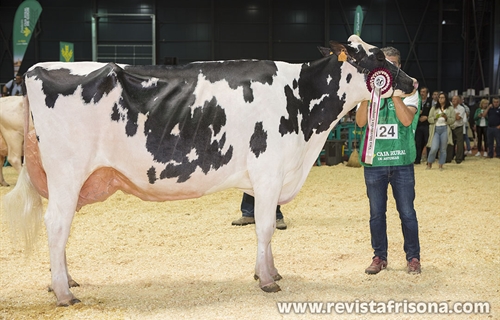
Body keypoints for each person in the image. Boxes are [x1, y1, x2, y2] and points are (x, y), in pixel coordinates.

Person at [356, 46, 421, 275]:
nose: (389, 70)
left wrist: (394, 93)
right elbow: (361, 122)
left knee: (407, 213)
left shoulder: (410, 90)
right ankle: (379, 257)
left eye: (393, 66)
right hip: (375, 163)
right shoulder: (367, 90)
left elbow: (406, 120)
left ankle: (413, 258)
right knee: (376, 214)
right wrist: (367, 96)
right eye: (385, 66)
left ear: (399, 66)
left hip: (401, 161)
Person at [426, 93, 456, 170]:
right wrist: (435, 118)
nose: (440, 99)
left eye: (442, 97)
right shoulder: (434, 108)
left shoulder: (450, 109)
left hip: (445, 129)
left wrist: (446, 118)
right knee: (434, 148)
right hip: (435, 129)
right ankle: (429, 163)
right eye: (439, 98)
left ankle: (441, 165)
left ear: (446, 99)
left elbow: (452, 120)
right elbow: (429, 119)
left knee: (443, 149)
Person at [414, 87, 432, 164]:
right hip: (418, 125)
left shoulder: (430, 102)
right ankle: (417, 159)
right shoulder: (416, 101)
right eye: (421, 91)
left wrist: (427, 117)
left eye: (424, 92)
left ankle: (429, 159)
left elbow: (433, 112)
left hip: (427, 124)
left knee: (427, 142)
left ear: (427, 93)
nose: (422, 93)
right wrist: (417, 114)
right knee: (418, 142)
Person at [446, 95, 466, 163]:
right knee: (449, 143)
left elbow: (458, 118)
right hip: (450, 127)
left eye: (455, 99)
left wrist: (452, 116)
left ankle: (459, 158)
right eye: (452, 99)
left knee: (459, 143)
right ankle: (448, 158)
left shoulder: (461, 108)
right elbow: (446, 117)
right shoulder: (449, 108)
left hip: (458, 127)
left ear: (459, 101)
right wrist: (455, 115)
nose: (453, 100)